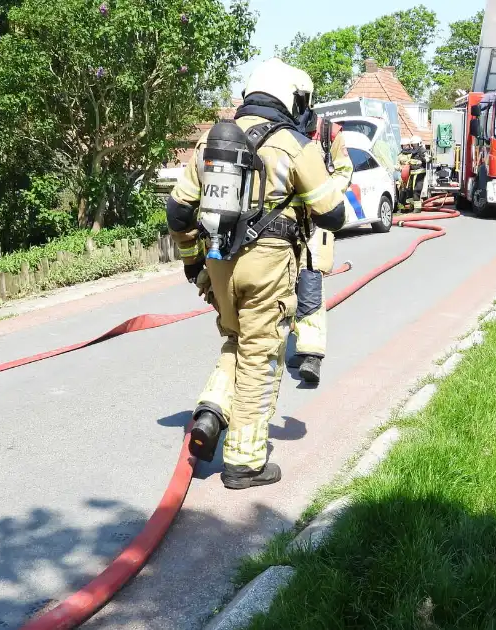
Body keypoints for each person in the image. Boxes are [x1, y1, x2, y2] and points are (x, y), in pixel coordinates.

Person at [166, 57, 347, 490]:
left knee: (235, 338)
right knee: (261, 357)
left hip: (218, 262)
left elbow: (177, 211)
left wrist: (194, 264)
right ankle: (245, 463)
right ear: (289, 96)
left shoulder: (211, 141)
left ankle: (210, 413)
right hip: (267, 266)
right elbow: (333, 214)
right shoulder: (292, 143)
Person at [288, 110, 353, 385]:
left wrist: (323, 196)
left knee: (310, 281)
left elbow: (344, 170)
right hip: (286, 221)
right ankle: (300, 343)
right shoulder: (279, 130)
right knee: (288, 284)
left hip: (317, 219)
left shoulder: (330, 134)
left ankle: (312, 354)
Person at [398, 136, 428, 210]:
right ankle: (411, 206)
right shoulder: (411, 152)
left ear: (419, 144)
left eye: (415, 144)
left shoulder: (422, 151)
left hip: (420, 173)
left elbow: (428, 159)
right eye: (413, 144)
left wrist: (421, 160)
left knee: (417, 190)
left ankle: (417, 208)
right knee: (409, 190)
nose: (414, 146)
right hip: (410, 174)